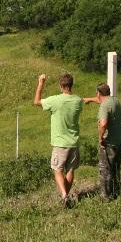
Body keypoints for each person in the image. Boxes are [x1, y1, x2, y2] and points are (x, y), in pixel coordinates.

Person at [34, 72, 87, 207]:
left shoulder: (55, 100)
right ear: (71, 85)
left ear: (60, 85)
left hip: (60, 143)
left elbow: (37, 101)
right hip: (74, 142)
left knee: (57, 170)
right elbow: (83, 101)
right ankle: (65, 197)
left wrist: (41, 83)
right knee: (70, 170)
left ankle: (64, 196)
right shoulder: (77, 100)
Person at [84, 83, 121, 200]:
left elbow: (103, 123)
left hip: (110, 143)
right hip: (120, 140)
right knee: (115, 168)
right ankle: (115, 191)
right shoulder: (114, 100)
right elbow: (102, 101)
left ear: (99, 93)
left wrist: (101, 137)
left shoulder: (104, 106)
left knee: (105, 169)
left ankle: (106, 196)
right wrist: (89, 100)